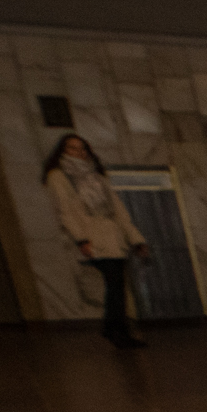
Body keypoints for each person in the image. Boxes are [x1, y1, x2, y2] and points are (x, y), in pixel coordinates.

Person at [42, 133, 148, 349]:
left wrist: (136, 239)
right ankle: (115, 330)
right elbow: (65, 212)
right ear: (63, 151)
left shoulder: (98, 176)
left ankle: (115, 329)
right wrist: (82, 239)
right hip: (93, 236)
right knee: (115, 284)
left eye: (82, 148)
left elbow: (118, 210)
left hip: (113, 237)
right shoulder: (59, 176)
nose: (78, 153)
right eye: (72, 148)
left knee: (117, 285)